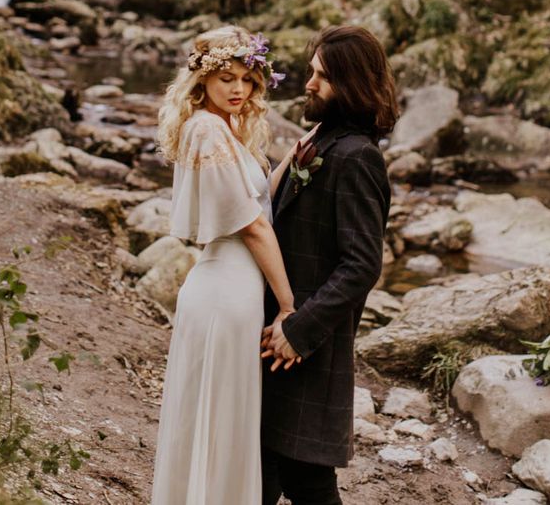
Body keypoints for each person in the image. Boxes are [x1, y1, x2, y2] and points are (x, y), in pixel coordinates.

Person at [151, 25, 296, 505]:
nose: (239, 89)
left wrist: (289, 163)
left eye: (248, 80)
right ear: (202, 82)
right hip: (226, 294)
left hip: (229, 290)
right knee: (221, 422)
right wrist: (288, 303)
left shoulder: (223, 128)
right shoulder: (207, 128)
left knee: (221, 422)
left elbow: (252, 198)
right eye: (227, 79)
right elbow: (253, 226)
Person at [261, 25, 399, 505]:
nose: (309, 83)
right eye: (311, 71)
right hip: (279, 338)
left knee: (307, 481)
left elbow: (361, 266)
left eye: (321, 76)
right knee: (265, 468)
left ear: (353, 85)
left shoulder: (358, 157)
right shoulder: (324, 140)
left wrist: (299, 329)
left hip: (305, 345)